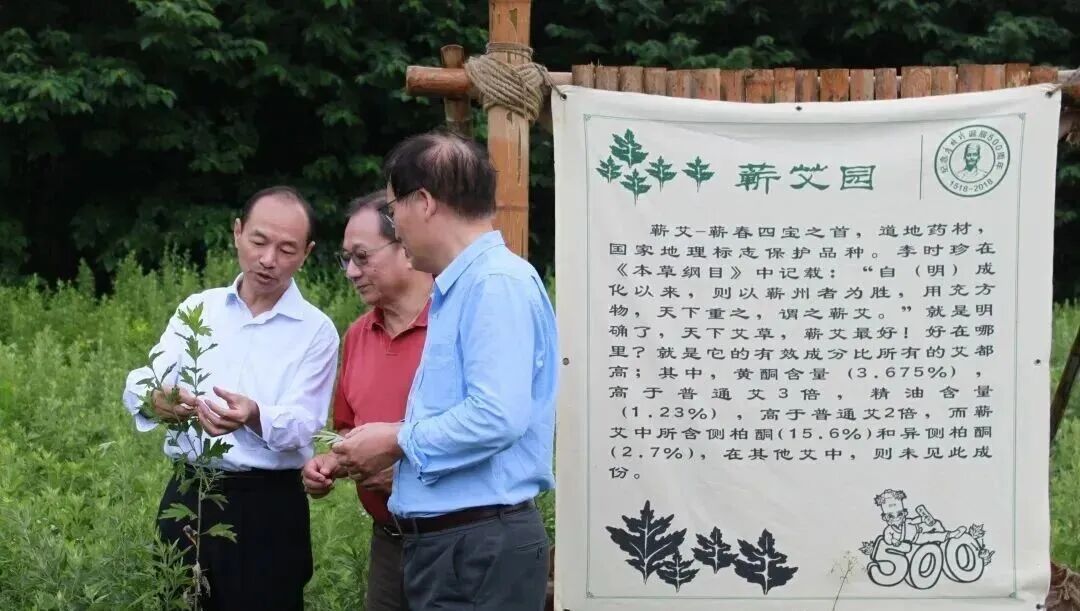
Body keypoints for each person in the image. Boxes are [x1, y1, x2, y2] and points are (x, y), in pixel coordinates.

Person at [331, 130, 558, 611]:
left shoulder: (495, 284)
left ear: (424, 203)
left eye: (394, 208)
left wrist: (396, 439)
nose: (395, 225)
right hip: (457, 546)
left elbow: (497, 415)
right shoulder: (460, 286)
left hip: (476, 547)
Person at [120, 185, 340, 611]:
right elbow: (146, 379)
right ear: (238, 233)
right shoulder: (199, 308)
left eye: (287, 249)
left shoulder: (316, 331)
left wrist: (254, 415)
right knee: (178, 600)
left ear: (307, 253)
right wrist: (156, 399)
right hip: (189, 493)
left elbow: (304, 425)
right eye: (259, 241)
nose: (268, 259)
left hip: (268, 506)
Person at [302, 190, 432, 611]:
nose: (351, 272)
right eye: (346, 259)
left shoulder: (454, 325)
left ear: (406, 247)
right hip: (389, 541)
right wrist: (332, 462)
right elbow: (347, 427)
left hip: (453, 540)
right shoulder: (358, 334)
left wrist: (409, 473)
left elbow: (492, 427)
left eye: (361, 257)